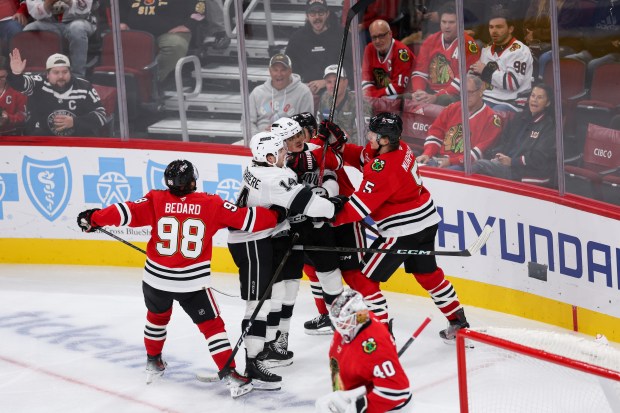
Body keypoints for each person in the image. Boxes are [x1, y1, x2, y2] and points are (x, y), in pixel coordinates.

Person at [76, 159, 286, 398]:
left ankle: (153, 362)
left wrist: (93, 218)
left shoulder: (155, 200)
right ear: (193, 181)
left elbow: (124, 212)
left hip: (156, 280)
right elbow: (248, 220)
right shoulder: (211, 203)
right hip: (192, 284)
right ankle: (230, 374)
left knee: (156, 318)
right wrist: (276, 215)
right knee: (212, 327)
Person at [328, 112, 471, 341]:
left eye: (373, 134)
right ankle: (458, 320)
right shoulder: (400, 147)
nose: (369, 137)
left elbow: (357, 209)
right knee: (428, 274)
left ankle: (382, 337)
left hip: (403, 231)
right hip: (426, 221)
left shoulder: (382, 169)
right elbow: (363, 157)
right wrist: (341, 146)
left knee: (363, 279)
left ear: (384, 140)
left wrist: (326, 218)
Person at [227, 130, 341, 390]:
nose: (285, 154)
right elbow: (314, 207)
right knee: (258, 303)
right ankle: (253, 363)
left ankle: (259, 355)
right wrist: (336, 204)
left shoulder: (256, 168)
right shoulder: (275, 177)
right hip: (252, 243)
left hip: (257, 240)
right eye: (280, 151)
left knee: (269, 299)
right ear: (267, 157)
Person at [315, 289, 412, 413]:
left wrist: (362, 408)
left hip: (389, 406)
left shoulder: (375, 344)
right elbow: (336, 365)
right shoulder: (350, 327)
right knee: (322, 405)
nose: (338, 327)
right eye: (338, 323)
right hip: (359, 393)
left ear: (357, 317)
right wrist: (340, 394)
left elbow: (398, 391)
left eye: (343, 322)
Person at [472, 82, 556, 186]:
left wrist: (512, 161)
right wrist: (497, 155)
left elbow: (538, 158)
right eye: (533, 96)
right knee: (477, 163)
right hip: (509, 165)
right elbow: (504, 141)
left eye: (540, 97)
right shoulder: (519, 118)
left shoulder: (549, 126)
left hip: (526, 172)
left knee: (480, 166)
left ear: (547, 103)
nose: (534, 99)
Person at [8, 49, 106, 136]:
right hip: (42, 142)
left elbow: (101, 115)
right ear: (47, 75)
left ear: (70, 72)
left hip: (77, 144)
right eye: (56, 72)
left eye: (65, 72)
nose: (61, 76)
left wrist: (75, 122)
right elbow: (20, 84)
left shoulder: (84, 87)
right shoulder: (38, 83)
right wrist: (16, 74)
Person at [416, 74, 503, 170]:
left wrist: (451, 161)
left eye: (470, 92)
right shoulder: (452, 108)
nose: (466, 96)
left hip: (465, 166)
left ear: (480, 91)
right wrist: (427, 154)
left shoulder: (491, 118)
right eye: (463, 93)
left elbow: (478, 153)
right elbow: (436, 134)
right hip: (439, 159)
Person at [411, 4, 481, 106]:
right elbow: (419, 71)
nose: (447, 26)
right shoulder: (430, 41)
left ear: (460, 23)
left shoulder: (469, 44)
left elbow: (464, 80)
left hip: (454, 95)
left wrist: (436, 97)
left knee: (443, 100)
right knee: (405, 98)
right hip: (429, 92)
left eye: (451, 22)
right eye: (444, 22)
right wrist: (419, 92)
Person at [119, 0, 202, 85]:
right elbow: (120, 5)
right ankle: (123, 82)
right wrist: (121, 21)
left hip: (171, 31)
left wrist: (190, 25)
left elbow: (200, 5)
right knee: (114, 42)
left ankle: (149, 82)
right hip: (134, 30)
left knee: (175, 45)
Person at [469, 11, 533, 112]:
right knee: (460, 111)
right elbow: (478, 76)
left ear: (510, 29)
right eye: (491, 27)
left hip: (511, 103)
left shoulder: (520, 50)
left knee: (489, 118)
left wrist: (485, 70)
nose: (494, 31)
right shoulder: (486, 50)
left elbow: (513, 83)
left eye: (499, 27)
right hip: (487, 98)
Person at [284, 0, 349, 95]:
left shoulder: (342, 35)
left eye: (321, 13)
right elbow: (289, 69)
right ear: (307, 16)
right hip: (305, 91)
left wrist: (326, 82)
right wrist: (302, 86)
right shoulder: (297, 39)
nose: (317, 17)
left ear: (327, 14)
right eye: (313, 13)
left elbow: (350, 67)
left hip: (336, 91)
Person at [24, 0, 96, 77]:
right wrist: (47, 4)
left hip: (79, 20)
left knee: (77, 28)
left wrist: (70, 2)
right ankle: (37, 76)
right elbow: (34, 12)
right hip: (49, 23)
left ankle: (78, 76)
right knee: (29, 29)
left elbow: (86, 8)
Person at [249, 53, 314, 135]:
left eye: (283, 70)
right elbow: (247, 122)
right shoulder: (257, 92)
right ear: (270, 71)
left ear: (290, 71)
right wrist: (257, 139)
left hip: (290, 141)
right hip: (260, 140)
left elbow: (307, 125)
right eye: (275, 70)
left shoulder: (303, 92)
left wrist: (286, 132)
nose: (279, 74)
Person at [316, 64, 372, 142]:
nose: (333, 85)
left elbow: (362, 136)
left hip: (351, 149)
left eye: (336, 81)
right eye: (329, 82)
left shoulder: (359, 102)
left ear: (345, 82)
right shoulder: (324, 99)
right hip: (329, 148)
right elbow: (319, 126)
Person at [362, 19, 415, 99]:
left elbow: (399, 87)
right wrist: (372, 95)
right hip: (381, 95)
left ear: (390, 34)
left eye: (381, 36)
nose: (377, 41)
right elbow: (366, 80)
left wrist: (373, 95)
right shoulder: (369, 49)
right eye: (374, 37)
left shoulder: (402, 52)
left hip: (406, 95)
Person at [0, 56, 27, 135]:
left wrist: (9, 118)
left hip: (11, 135)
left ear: (7, 74)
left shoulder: (18, 92)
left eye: (1, 77)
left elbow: (24, 116)